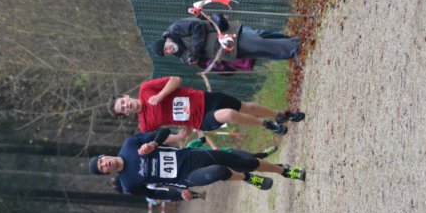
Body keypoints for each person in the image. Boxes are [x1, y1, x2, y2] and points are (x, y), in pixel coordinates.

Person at [88, 128, 306, 196]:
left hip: (191, 157)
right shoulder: (128, 184)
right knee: (219, 171)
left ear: (104, 156)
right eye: (102, 168)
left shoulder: (130, 144)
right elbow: (155, 194)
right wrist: (181, 195)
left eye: (102, 161)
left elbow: (163, 132)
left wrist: (153, 144)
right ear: (107, 173)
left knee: (245, 160)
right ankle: (247, 178)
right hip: (185, 177)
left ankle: (283, 171)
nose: (105, 164)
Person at [109, 76, 304, 137]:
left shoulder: (146, 89)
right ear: (125, 115)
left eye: (123, 102)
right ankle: (267, 124)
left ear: (126, 96)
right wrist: (179, 136)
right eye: (123, 109)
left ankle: (280, 115)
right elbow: (160, 140)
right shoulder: (145, 124)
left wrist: (160, 96)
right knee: (229, 114)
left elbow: (176, 79)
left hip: (205, 99)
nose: (126, 106)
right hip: (200, 119)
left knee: (244, 106)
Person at [152, 14, 299, 71]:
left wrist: (196, 50)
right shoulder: (181, 56)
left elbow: (197, 26)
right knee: (260, 52)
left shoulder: (175, 29)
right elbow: (202, 62)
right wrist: (197, 60)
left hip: (226, 36)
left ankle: (294, 47)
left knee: (259, 43)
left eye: (166, 48)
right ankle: (292, 48)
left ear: (165, 41)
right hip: (226, 53)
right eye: (166, 53)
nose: (169, 51)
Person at [185, 130, 278, 158]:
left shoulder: (190, 146)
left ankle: (265, 153)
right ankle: (278, 167)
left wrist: (213, 146)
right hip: (224, 164)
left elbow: (205, 138)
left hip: (228, 152)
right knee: (250, 167)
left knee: (251, 157)